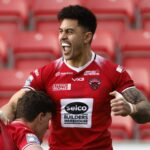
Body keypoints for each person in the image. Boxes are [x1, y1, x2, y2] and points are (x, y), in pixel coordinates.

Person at [0, 5, 150, 150]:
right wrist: (6, 110)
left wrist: (130, 108)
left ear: (87, 37)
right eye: (61, 31)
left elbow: (146, 111)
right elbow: (15, 103)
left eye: (69, 32)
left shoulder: (113, 72)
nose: (62, 37)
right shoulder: (46, 73)